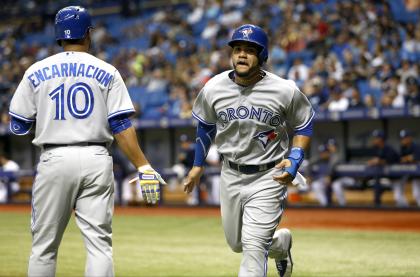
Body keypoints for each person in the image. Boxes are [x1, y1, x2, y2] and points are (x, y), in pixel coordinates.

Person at [8, 6, 166, 277]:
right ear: (89, 34)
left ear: (59, 36)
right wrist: (143, 166)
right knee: (99, 245)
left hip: (54, 158)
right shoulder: (107, 70)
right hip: (96, 158)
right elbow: (120, 124)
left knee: (44, 247)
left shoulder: (36, 71)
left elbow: (18, 125)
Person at [184, 24, 314, 277]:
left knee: (253, 248)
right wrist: (198, 165)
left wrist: (295, 158)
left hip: (269, 175)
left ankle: (266, 248)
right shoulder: (213, 87)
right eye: (238, 49)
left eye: (250, 50)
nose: (242, 55)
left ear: (262, 56)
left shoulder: (284, 89)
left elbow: (304, 124)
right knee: (237, 244)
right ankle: (281, 245)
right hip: (230, 173)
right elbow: (205, 127)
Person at [366, 129, 399, 206]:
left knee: (399, 197)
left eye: (375, 138)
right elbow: (375, 161)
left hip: (398, 177)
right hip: (386, 176)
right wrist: (374, 161)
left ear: (381, 139)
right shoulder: (376, 148)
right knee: (375, 180)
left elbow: (390, 160)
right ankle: (377, 202)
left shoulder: (389, 149)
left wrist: (379, 161)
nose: (373, 139)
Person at [395, 129, 420, 207]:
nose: (403, 140)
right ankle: (403, 206)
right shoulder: (403, 148)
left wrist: (408, 158)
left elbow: (416, 158)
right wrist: (408, 158)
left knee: (416, 193)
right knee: (400, 189)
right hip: (411, 173)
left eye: (405, 138)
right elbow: (400, 159)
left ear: (410, 138)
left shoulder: (415, 146)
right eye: (402, 138)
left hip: (418, 173)